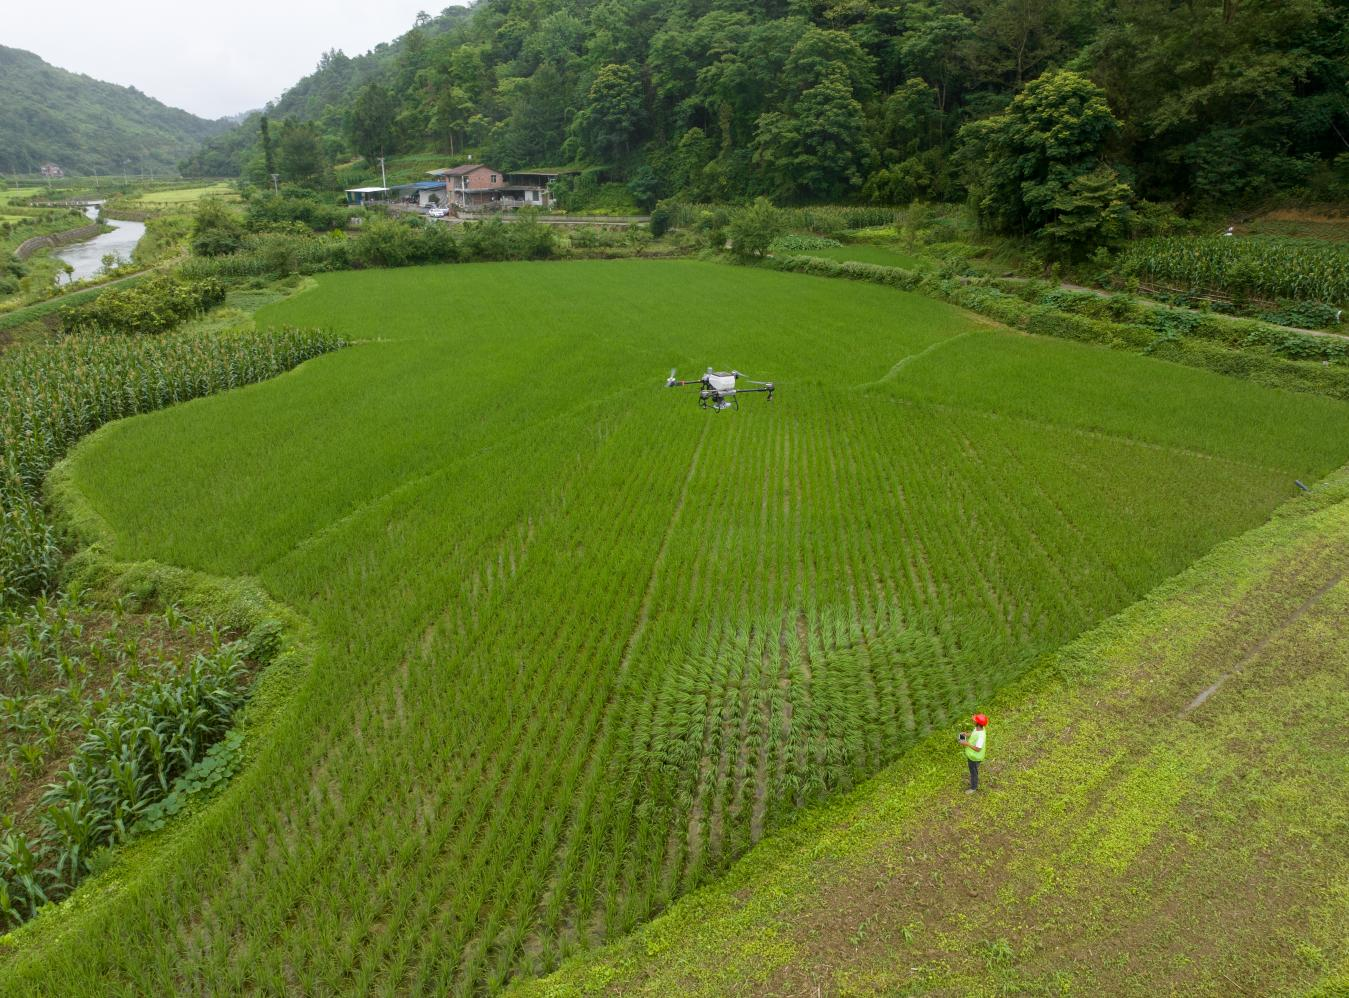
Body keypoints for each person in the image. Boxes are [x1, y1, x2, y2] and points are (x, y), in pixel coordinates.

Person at [958, 713, 988, 793]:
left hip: (975, 758)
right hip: (971, 756)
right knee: (973, 770)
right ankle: (973, 783)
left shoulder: (981, 736)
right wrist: (967, 734)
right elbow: (974, 733)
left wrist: (967, 743)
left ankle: (973, 787)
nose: (973, 720)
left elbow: (978, 749)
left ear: (977, 723)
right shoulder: (979, 728)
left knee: (973, 772)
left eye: (974, 720)